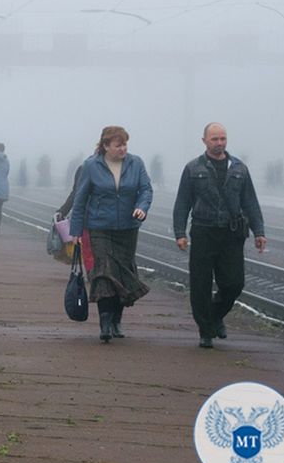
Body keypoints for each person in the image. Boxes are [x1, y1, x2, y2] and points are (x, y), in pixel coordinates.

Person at [172, 123, 267, 349]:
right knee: (201, 284)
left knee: (234, 283)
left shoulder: (239, 169)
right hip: (204, 231)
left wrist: (259, 231)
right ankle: (205, 331)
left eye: (223, 138)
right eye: (214, 139)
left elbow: (250, 202)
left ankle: (215, 315)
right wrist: (180, 233)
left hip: (231, 233)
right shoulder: (193, 169)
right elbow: (183, 203)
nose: (219, 143)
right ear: (204, 140)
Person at [69, 126, 153, 344]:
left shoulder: (136, 164)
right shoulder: (91, 165)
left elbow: (146, 189)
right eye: (118, 145)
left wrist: (142, 207)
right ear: (106, 146)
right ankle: (105, 321)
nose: (123, 149)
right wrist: (76, 231)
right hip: (99, 227)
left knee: (123, 273)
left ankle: (117, 319)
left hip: (127, 227)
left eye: (125, 144)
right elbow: (80, 198)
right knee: (104, 271)